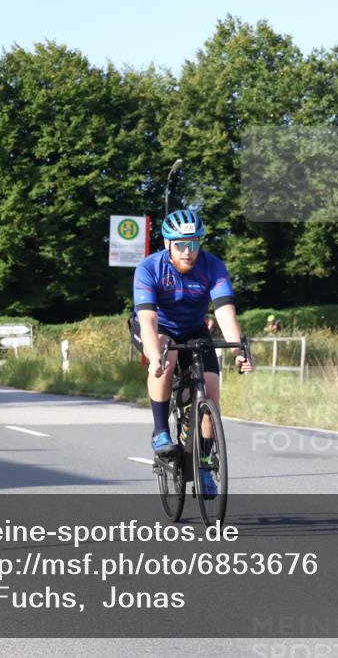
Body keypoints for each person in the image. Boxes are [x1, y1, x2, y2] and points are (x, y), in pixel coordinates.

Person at [129, 207, 254, 497]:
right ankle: (160, 430)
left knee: (210, 393)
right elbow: (147, 318)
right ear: (167, 244)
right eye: (181, 245)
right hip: (158, 329)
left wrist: (238, 350)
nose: (188, 251)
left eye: (194, 244)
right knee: (166, 353)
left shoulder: (212, 266)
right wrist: (153, 357)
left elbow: (224, 312)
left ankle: (206, 466)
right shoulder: (149, 269)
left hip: (195, 330)